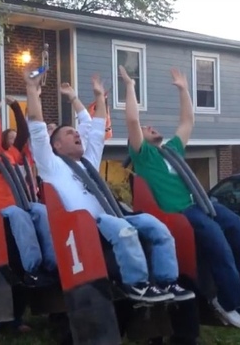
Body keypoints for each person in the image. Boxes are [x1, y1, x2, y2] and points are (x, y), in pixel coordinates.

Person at [25, 67, 194, 303]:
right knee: (123, 230)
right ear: (57, 147)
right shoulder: (51, 167)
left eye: (76, 131)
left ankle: (168, 282)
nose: (77, 133)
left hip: (112, 216)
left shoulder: (88, 162)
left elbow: (96, 129)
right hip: (87, 225)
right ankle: (136, 285)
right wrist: (32, 90)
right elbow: (37, 128)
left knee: (157, 228)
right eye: (69, 133)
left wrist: (98, 98)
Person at [124, 65, 240, 330]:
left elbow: (188, 121)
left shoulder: (172, 150)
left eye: (150, 125)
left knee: (239, 230)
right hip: (181, 211)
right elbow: (132, 121)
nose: (150, 126)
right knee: (218, 242)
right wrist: (131, 87)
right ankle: (228, 301)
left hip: (203, 203)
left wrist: (184, 90)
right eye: (147, 127)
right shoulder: (143, 157)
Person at [0, 94, 58, 336]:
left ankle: (52, 263)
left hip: (22, 206)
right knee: (19, 215)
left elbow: (24, 135)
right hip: (0, 212)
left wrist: (17, 107)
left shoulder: (7, 155)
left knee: (40, 210)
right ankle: (32, 267)